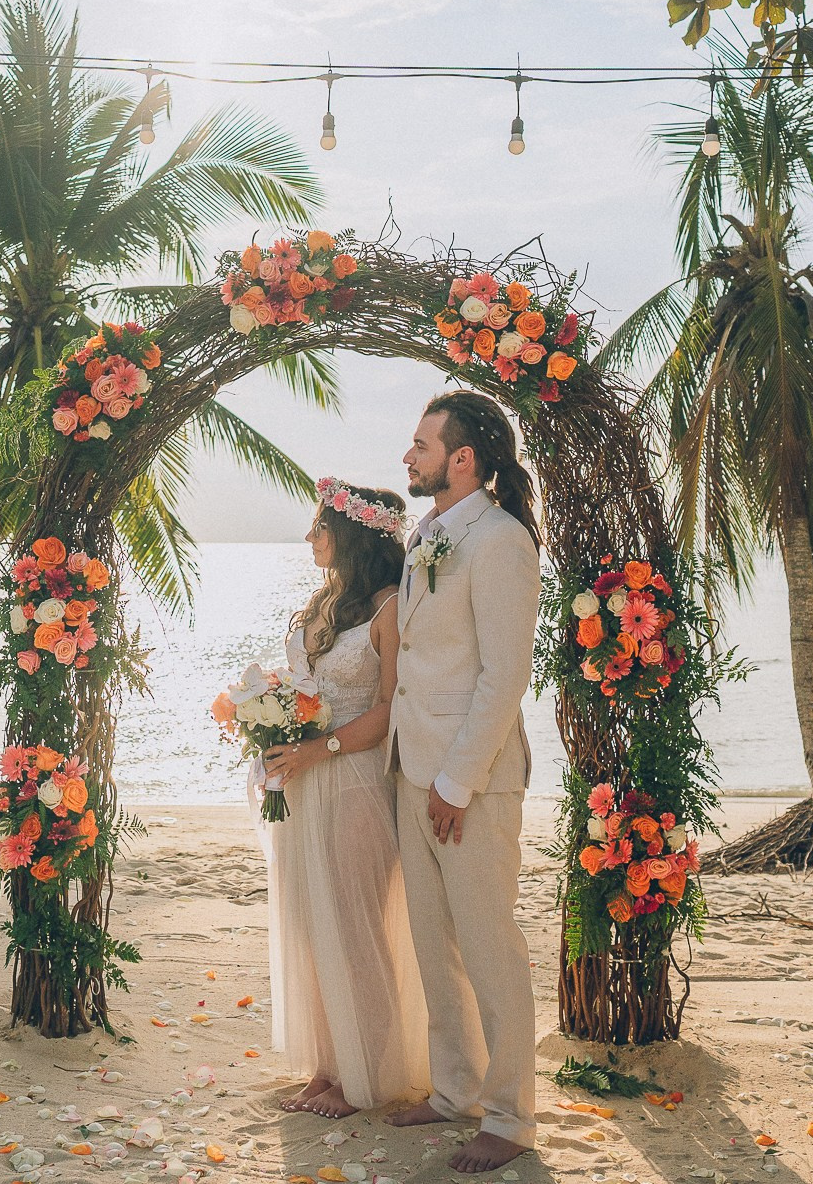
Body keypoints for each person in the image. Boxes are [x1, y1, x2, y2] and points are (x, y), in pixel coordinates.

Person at [386, 390, 542, 1174]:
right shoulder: (430, 534)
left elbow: (504, 676)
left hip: (469, 782)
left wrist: (455, 780)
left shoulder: (501, 541)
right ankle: (455, 1090)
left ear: (463, 459)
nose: (408, 456)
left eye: (420, 444)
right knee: (433, 943)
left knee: (489, 947)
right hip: (412, 769)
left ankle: (511, 1117)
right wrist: (417, 775)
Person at [258, 479, 430, 1117]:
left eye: (320, 527)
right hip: (302, 786)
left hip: (354, 779)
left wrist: (316, 749)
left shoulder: (390, 605)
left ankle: (369, 1072)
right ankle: (329, 1068)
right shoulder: (321, 604)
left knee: (357, 928)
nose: (309, 537)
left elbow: (389, 709)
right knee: (312, 928)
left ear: (352, 534)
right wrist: (271, 727)